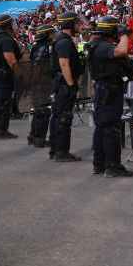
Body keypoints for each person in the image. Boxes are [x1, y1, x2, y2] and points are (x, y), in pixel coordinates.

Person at [87, 15, 133, 177]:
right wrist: (123, 35)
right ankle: (112, 166)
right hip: (109, 90)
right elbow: (121, 51)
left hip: (104, 90)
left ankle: (99, 163)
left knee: (102, 127)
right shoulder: (102, 46)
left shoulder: (97, 45)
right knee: (111, 128)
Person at [49, 12, 83, 162]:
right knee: (63, 117)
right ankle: (61, 152)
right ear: (69, 24)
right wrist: (70, 85)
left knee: (58, 116)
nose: (78, 25)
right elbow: (64, 64)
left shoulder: (63, 40)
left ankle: (55, 149)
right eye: (76, 23)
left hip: (61, 83)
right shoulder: (64, 42)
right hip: (64, 84)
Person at [0, 14, 21, 139]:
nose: (14, 25)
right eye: (11, 23)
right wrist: (19, 74)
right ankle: (1, 130)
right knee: (4, 102)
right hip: (4, 74)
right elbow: (10, 59)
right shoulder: (6, 39)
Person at [26, 23, 55, 148]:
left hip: (40, 81)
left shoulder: (38, 45)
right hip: (41, 82)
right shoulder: (43, 47)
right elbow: (38, 66)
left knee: (39, 110)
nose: (54, 35)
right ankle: (39, 138)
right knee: (43, 111)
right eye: (51, 33)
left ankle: (33, 136)